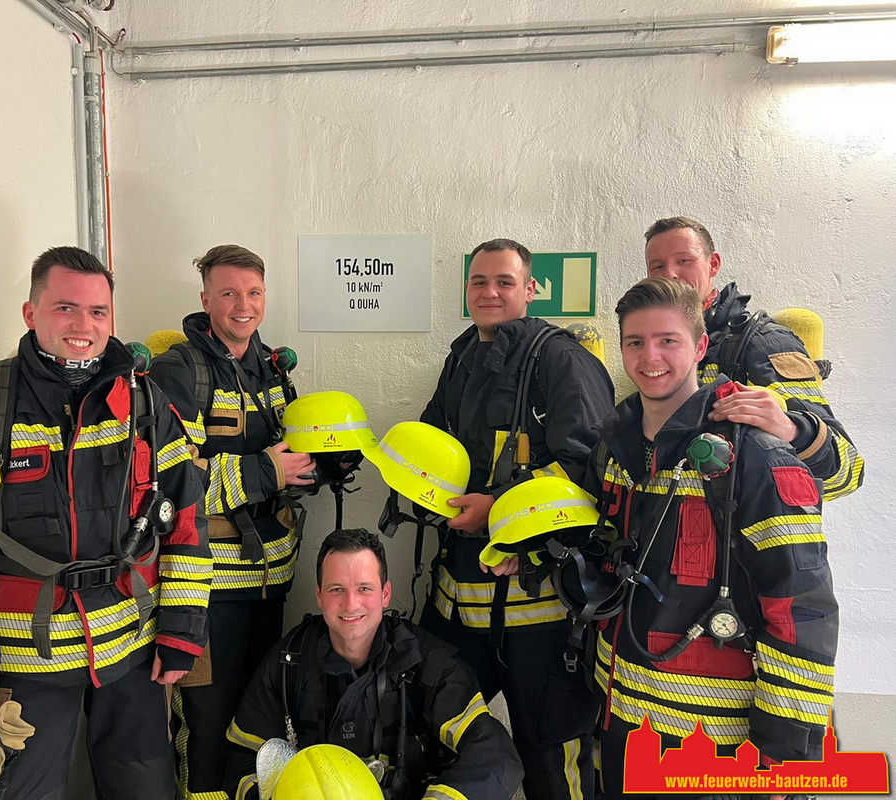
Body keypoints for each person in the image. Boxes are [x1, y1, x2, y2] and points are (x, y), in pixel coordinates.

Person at [0, 246, 210, 799]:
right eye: (65, 308)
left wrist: (182, 630)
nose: (84, 326)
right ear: (31, 313)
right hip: (23, 668)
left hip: (133, 653)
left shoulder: (146, 405)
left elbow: (185, 523)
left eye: (98, 311)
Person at [581, 277, 838, 799]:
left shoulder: (755, 455)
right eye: (635, 342)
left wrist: (784, 755)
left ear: (700, 347)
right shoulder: (613, 450)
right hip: (622, 726)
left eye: (667, 341)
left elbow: (801, 607)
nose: (650, 357)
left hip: (717, 748)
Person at [417, 237, 615, 799]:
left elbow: (588, 467)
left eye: (504, 281)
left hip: (539, 610)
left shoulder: (561, 360)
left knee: (551, 756)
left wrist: (497, 508)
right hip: (459, 602)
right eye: (479, 281)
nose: (490, 292)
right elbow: (433, 441)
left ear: (530, 289)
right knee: (438, 741)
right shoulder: (460, 358)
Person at [148, 244, 315, 798]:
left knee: (257, 725)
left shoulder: (271, 368)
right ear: (205, 299)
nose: (243, 305)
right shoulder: (180, 371)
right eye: (228, 293)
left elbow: (283, 453)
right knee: (206, 727)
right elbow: (172, 481)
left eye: (253, 293)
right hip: (207, 587)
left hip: (270, 580)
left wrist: (316, 466)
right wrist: (268, 471)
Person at [224, 529, 525, 800]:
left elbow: (495, 754)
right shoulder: (288, 662)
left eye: (364, 589)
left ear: (385, 594)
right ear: (319, 596)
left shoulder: (429, 662)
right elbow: (241, 756)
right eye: (337, 589)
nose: (351, 604)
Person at [644, 216, 864, 501]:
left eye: (683, 260)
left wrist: (792, 429)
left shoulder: (764, 343)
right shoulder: (653, 351)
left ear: (713, 264)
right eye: (658, 266)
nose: (670, 274)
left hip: (740, 527)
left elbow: (847, 473)